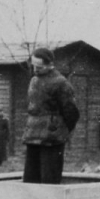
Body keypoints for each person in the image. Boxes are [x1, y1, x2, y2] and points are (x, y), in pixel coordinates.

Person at [21, 47, 80, 184]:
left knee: (50, 179)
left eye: (39, 67)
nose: (35, 69)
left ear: (50, 65)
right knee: (30, 179)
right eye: (33, 65)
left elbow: (71, 112)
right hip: (32, 136)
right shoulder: (34, 80)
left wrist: (59, 130)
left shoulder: (61, 83)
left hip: (52, 139)